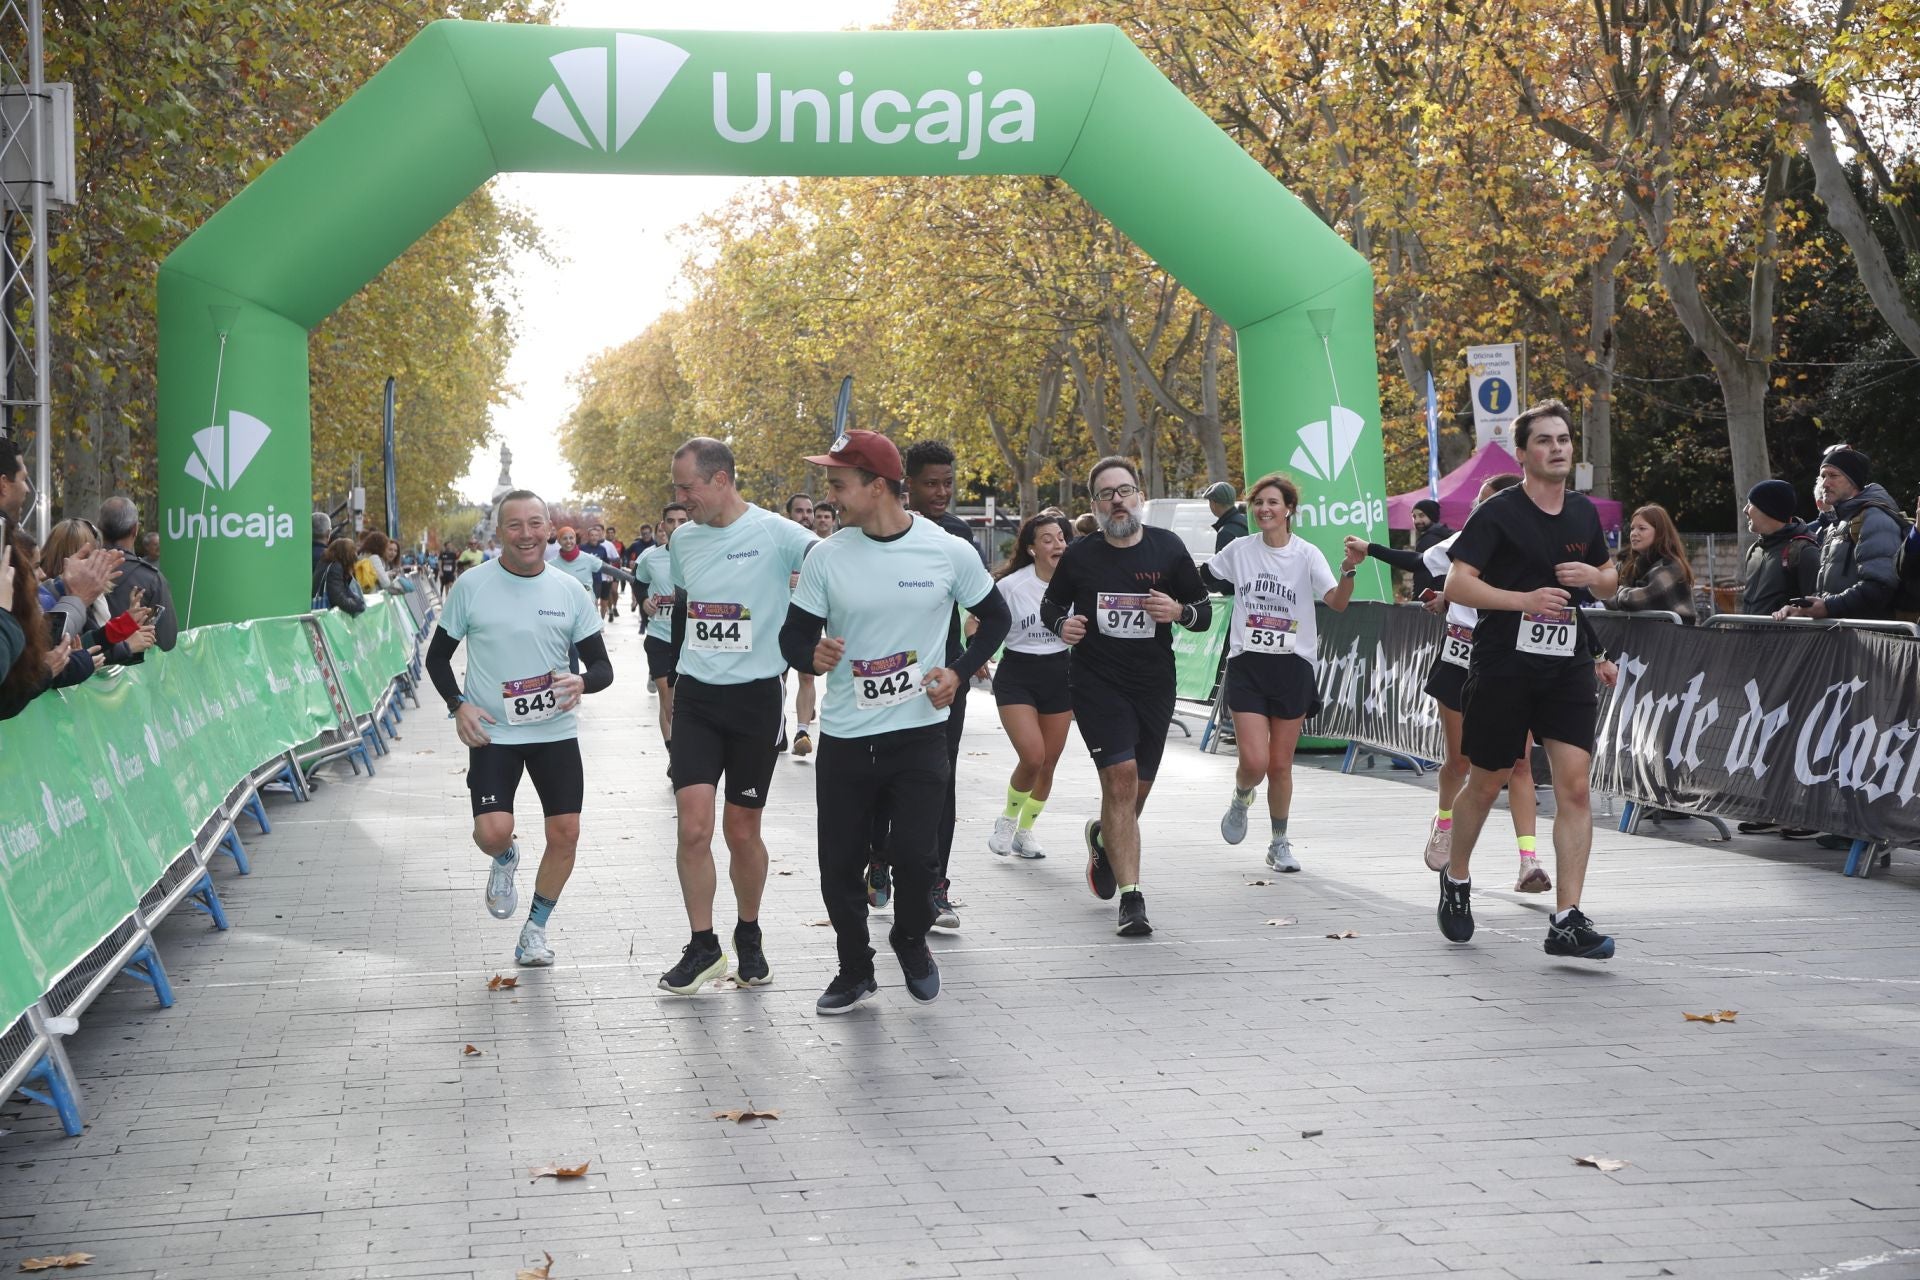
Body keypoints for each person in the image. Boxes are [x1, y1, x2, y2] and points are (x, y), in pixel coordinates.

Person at [779, 430, 1008, 1013]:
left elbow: (996, 616)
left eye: (838, 484)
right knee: (839, 866)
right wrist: (812, 655)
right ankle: (855, 968)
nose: (829, 496)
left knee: (915, 856)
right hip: (849, 739)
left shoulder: (947, 549)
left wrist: (959, 671)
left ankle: (909, 938)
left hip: (917, 733)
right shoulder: (826, 556)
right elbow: (793, 637)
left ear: (876, 487)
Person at [1435, 399, 1620, 961]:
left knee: (1576, 787)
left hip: (1565, 666)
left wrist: (1596, 576)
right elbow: (1457, 585)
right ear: (1522, 454)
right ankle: (1458, 878)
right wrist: (1523, 601)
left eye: (1563, 439)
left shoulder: (1584, 515)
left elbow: (1609, 581)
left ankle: (1566, 919)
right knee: (1486, 780)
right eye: (1545, 440)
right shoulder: (1497, 515)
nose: (1558, 448)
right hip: (1503, 666)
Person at [425, 490, 612, 967]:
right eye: (514, 525)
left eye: (535, 524)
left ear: (549, 529)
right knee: (492, 832)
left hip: (554, 731)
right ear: (499, 531)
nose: (526, 535)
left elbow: (602, 667)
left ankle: (535, 930)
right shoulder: (472, 585)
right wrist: (458, 706)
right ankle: (505, 859)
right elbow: (437, 657)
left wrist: (583, 682)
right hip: (494, 733)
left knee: (566, 833)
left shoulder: (569, 589)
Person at [656, 437, 816, 996]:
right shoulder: (684, 541)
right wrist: (670, 679)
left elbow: (830, 566)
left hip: (755, 700)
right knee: (693, 827)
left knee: (741, 830)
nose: (680, 498)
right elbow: (686, 610)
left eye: (686, 487)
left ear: (720, 479)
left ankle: (748, 933)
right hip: (699, 697)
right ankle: (704, 946)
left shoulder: (777, 532)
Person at [1351, 474, 1558, 893]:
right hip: (1461, 660)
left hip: (1514, 664)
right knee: (1462, 761)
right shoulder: (1466, 539)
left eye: (1490, 501)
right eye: (1479, 502)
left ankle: (1529, 861)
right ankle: (1444, 821)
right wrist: (1370, 549)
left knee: (1518, 763)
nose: (1482, 510)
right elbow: (1419, 563)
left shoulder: (1537, 543)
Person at [1042, 456, 1212, 937]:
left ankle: (1103, 837)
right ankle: (1132, 900)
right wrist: (1063, 624)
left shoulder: (1168, 548)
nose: (1117, 500)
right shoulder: (1081, 555)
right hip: (1096, 681)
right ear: (1094, 505)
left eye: (1125, 490)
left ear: (1139, 496)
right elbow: (1052, 603)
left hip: (1153, 684)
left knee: (1134, 795)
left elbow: (1202, 612)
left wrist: (1177, 609)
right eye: (1106, 493)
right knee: (1119, 780)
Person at [1204, 474, 1363, 872]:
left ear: (1289, 509)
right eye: (1258, 503)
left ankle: (1279, 842)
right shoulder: (1240, 549)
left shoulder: (1306, 554)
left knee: (1279, 766)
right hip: (1248, 664)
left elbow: (1337, 603)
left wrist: (1348, 572)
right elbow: (1202, 577)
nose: (1264, 510)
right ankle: (1242, 795)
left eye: (1273, 503)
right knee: (1255, 763)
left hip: (1293, 667)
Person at [893, 439, 980, 932]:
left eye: (948, 482)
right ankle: (882, 857)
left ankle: (935, 885)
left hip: (943, 679)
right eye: (931, 483)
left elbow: (986, 610)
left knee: (939, 781)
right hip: (883, 678)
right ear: (908, 484)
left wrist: (965, 667)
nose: (942, 492)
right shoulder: (880, 530)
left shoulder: (958, 535)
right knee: (885, 780)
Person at [988, 511, 1075, 860]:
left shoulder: (1076, 583)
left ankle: (1026, 831)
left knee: (1048, 763)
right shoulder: (1011, 586)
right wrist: (975, 649)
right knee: (1032, 756)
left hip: (1060, 672)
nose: (1057, 544)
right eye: (1048, 539)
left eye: (1061, 537)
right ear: (1032, 549)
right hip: (1018, 674)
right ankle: (1007, 821)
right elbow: (979, 622)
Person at [1775, 446, 1904, 622]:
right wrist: (1803, 609)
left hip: (1868, 642)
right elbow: (1829, 591)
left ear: (1854, 481)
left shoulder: (1875, 517)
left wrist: (1828, 607)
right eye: (1823, 476)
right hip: (1842, 638)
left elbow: (1880, 586)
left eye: (1833, 476)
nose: (1825, 484)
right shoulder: (1837, 523)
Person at [38, 520, 154, 665]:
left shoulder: (89, 597)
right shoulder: (48, 598)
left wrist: (126, 625)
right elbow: (69, 658)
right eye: (93, 557)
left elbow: (90, 643)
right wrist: (127, 645)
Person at [637, 504, 689, 763]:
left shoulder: (705, 554)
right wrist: (644, 603)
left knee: (684, 700)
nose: (676, 527)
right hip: (660, 637)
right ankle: (674, 754)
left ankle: (682, 750)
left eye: (682, 520)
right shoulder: (651, 558)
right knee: (667, 698)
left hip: (692, 639)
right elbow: (640, 583)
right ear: (663, 525)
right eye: (671, 521)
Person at [99, 496, 178, 659]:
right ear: (135, 529)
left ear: (100, 528)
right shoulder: (151, 580)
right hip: (133, 677)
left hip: (79, 676)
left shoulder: (78, 573)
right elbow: (167, 641)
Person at [1604, 504, 1695, 622]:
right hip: (1643, 636)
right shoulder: (1628, 563)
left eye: (1641, 528)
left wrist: (1615, 591)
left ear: (1659, 532)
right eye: (1632, 528)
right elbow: (1605, 586)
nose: (1634, 533)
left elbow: (1634, 600)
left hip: (1672, 636)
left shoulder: (1671, 567)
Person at [1739, 480, 1818, 616]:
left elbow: (1815, 608)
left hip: (1786, 637)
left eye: (1751, 504)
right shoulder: (1754, 550)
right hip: (1747, 637)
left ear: (1769, 509)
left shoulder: (1805, 551)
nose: (1745, 510)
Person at [1356, 498, 1454, 598]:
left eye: (1422, 515)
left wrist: (1419, 598)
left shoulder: (1430, 539)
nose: (1417, 521)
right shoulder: (1445, 536)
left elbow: (1419, 567)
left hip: (1431, 602)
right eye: (1414, 516)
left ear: (1432, 516)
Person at [783, 493, 820, 759]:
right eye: (799, 511)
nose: (805, 516)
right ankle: (777, 723)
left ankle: (802, 731)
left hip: (810, 617)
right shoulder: (780, 545)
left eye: (809, 511)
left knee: (807, 675)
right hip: (781, 618)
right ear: (789, 515)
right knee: (779, 679)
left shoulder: (820, 548)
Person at [314, 537, 366, 614]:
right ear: (348, 556)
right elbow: (339, 599)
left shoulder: (325, 563)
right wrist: (359, 605)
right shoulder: (336, 568)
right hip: (329, 616)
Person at [1201, 481, 1248, 551]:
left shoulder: (1226, 532)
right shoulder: (1246, 520)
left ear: (1214, 503)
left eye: (1210, 501)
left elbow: (1223, 561)